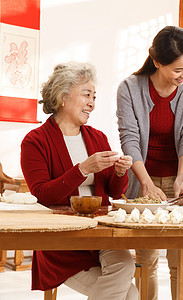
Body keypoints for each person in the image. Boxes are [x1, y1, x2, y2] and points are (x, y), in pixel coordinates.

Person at [20, 62, 137, 299]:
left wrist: (120, 172)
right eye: (86, 94)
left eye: (94, 96)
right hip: (63, 241)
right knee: (130, 295)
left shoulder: (98, 137)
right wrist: (82, 169)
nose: (92, 102)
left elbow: (114, 192)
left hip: (101, 234)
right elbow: (43, 194)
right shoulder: (35, 141)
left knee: (125, 264)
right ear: (63, 97)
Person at [116, 25, 183, 299]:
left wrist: (180, 178)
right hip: (143, 179)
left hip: (180, 179)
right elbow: (129, 138)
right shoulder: (130, 88)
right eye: (178, 69)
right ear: (156, 62)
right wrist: (144, 183)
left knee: (180, 260)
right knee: (146, 261)